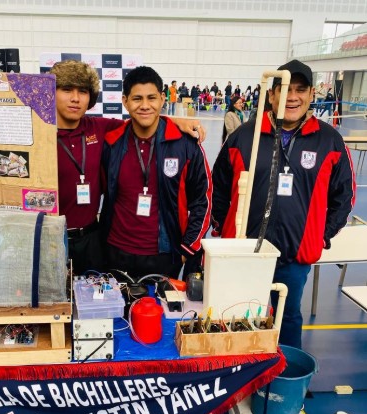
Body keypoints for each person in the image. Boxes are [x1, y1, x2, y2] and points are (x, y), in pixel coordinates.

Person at [211, 59, 356, 349]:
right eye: (286, 89)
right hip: (244, 252)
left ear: (312, 94)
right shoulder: (243, 136)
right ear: (272, 94)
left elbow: (344, 196)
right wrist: (223, 230)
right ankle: (238, 382)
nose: (292, 97)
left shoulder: (329, 141)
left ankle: (284, 379)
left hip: (294, 255)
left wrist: (320, 235)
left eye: (300, 90)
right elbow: (218, 189)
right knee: (237, 314)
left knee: (288, 317)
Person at [51, 60, 206, 274]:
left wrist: (178, 121)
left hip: (102, 243)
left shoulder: (102, 129)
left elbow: (146, 117)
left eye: (83, 91)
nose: (75, 98)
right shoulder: (39, 134)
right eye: (67, 90)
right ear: (125, 101)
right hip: (60, 242)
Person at [100, 66, 212, 280]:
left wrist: (186, 250)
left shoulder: (186, 146)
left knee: (159, 314)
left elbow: (203, 202)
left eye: (151, 98)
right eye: (137, 99)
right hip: (116, 252)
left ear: (162, 99)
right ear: (125, 101)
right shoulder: (112, 143)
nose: (144, 105)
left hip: (165, 255)